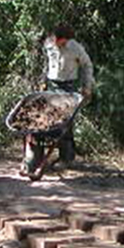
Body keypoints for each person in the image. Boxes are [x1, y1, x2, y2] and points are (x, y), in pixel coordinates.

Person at [41, 24, 94, 164]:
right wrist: (43, 81)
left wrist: (87, 87)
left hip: (68, 86)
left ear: (66, 39)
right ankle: (38, 156)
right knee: (47, 119)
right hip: (52, 85)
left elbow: (87, 65)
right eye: (56, 41)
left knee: (65, 122)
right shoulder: (48, 44)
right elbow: (47, 63)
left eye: (61, 41)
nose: (58, 44)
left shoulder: (75, 48)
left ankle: (67, 158)